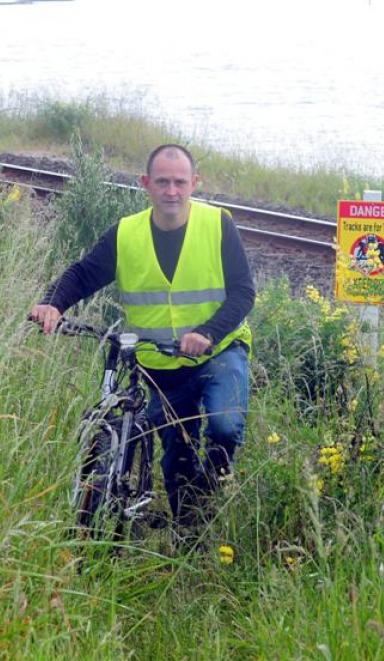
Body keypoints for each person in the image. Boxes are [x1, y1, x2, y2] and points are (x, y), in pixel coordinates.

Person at [31, 143, 255, 530]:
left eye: (180, 182)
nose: (172, 191)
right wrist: (53, 303)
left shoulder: (218, 225)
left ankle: (206, 495)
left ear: (194, 184)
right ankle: (189, 532)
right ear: (146, 184)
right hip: (160, 364)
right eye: (163, 182)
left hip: (220, 351)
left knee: (224, 427)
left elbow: (243, 291)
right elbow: (83, 274)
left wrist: (208, 332)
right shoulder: (126, 234)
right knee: (175, 455)